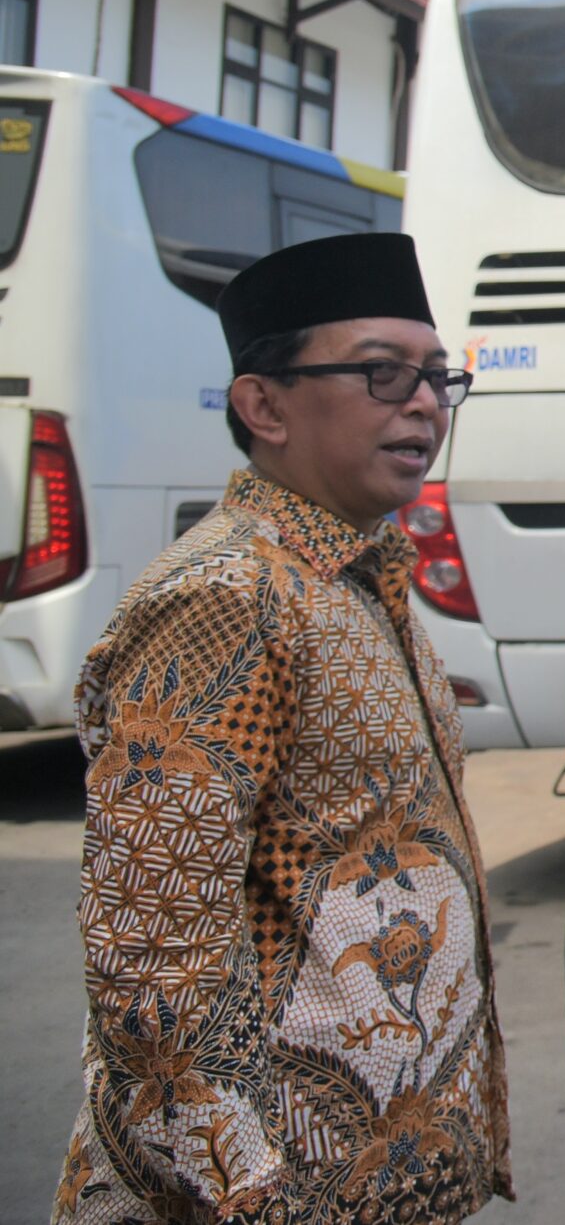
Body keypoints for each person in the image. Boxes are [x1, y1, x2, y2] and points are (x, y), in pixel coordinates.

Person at [54, 232, 509, 1222]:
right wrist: (245, 1189)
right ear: (263, 404)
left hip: (380, 1176)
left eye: (439, 376)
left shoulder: (358, 578)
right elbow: (154, 956)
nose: (425, 403)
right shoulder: (228, 593)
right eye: (383, 371)